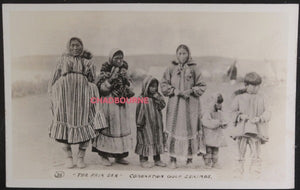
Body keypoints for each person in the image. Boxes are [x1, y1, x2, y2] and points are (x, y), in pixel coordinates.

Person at [48, 37, 107, 169]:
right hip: (64, 99)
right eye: (72, 45)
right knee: (64, 127)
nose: (75, 48)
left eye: (78, 45)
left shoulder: (88, 63)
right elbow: (53, 80)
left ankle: (80, 157)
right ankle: (68, 158)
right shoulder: (61, 61)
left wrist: (92, 92)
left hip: (83, 98)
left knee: (85, 123)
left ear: (82, 46)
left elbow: (93, 80)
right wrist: (53, 96)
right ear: (68, 47)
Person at [161, 44, 207, 168]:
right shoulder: (171, 67)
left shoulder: (194, 68)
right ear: (176, 55)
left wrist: (191, 91)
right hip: (175, 104)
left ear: (189, 54)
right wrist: (173, 91)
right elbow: (164, 84)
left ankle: (189, 159)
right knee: (174, 127)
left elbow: (202, 86)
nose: (182, 56)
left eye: (184, 53)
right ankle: (173, 159)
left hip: (190, 104)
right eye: (180, 53)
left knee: (190, 128)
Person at [92, 49, 134, 166]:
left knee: (121, 128)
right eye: (116, 58)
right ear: (111, 59)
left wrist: (126, 80)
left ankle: (120, 156)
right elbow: (101, 89)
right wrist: (111, 79)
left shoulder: (125, 71)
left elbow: (131, 89)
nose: (119, 60)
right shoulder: (104, 72)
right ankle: (104, 155)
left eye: (121, 58)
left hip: (121, 105)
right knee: (108, 127)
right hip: (108, 104)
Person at [231, 72, 271, 175]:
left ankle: (255, 173)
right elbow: (232, 112)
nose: (256, 88)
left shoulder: (262, 98)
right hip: (242, 131)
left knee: (256, 154)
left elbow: (268, 112)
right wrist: (240, 116)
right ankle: (237, 172)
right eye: (253, 86)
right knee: (239, 154)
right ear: (246, 85)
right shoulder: (239, 98)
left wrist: (260, 118)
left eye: (258, 86)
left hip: (256, 131)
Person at [135, 76, 167, 168]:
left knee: (157, 140)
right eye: (151, 86)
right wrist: (139, 123)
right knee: (145, 141)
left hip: (157, 124)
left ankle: (157, 159)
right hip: (145, 125)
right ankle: (143, 160)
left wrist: (158, 98)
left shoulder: (157, 96)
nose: (154, 89)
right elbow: (139, 112)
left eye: (155, 86)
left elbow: (162, 106)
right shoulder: (142, 98)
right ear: (146, 86)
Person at [202, 93, 228, 169]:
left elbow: (223, 120)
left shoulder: (219, 113)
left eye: (220, 104)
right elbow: (206, 122)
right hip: (209, 135)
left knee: (216, 150)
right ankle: (207, 163)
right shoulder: (207, 112)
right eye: (218, 103)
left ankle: (215, 162)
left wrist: (224, 124)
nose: (219, 105)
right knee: (209, 150)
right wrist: (217, 123)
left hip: (216, 135)